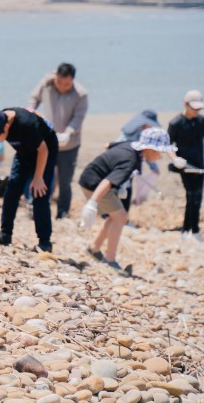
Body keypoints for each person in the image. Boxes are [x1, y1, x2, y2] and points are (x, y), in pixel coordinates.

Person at [78, 128, 176, 273]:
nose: (160, 156)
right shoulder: (130, 160)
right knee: (121, 217)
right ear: (149, 148)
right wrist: (92, 203)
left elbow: (108, 145)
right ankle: (110, 260)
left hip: (90, 178)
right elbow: (107, 181)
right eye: (159, 152)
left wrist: (110, 161)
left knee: (115, 216)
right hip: (95, 184)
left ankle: (94, 248)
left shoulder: (131, 145)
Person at [0, 106, 59, 252]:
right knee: (12, 190)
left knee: (39, 193)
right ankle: (5, 234)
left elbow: (43, 150)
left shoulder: (27, 124)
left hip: (45, 151)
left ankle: (45, 242)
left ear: (7, 127)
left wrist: (38, 177)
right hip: (24, 152)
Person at [28, 62, 88, 219]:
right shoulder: (46, 83)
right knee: (42, 175)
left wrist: (68, 132)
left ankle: (62, 213)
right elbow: (34, 98)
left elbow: (78, 117)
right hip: (48, 141)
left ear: (72, 80)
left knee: (65, 181)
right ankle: (37, 208)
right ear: (55, 77)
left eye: (67, 84)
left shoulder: (81, 94)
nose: (62, 86)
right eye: (59, 82)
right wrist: (31, 113)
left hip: (70, 144)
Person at [167, 90, 204, 243]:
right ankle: (192, 230)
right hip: (185, 166)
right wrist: (175, 159)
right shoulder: (176, 123)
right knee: (192, 196)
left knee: (196, 198)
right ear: (185, 104)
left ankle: (188, 230)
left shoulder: (201, 121)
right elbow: (167, 145)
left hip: (200, 164)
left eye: (199, 108)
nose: (197, 111)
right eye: (194, 108)